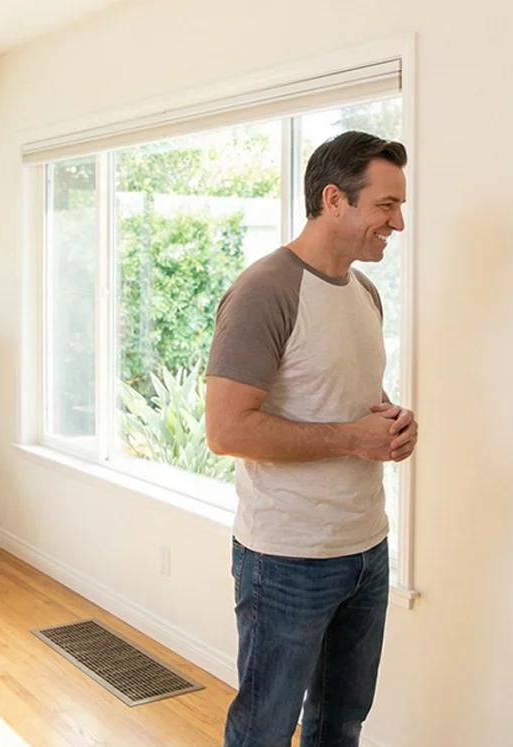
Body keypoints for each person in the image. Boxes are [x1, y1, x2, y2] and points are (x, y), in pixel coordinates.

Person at [204, 130, 417, 747]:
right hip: (286, 558)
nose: (398, 222)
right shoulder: (265, 290)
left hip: (365, 550)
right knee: (265, 729)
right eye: (386, 205)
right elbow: (226, 429)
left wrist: (392, 427)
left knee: (341, 723)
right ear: (334, 200)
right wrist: (354, 437)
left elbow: (342, 404)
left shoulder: (365, 292)